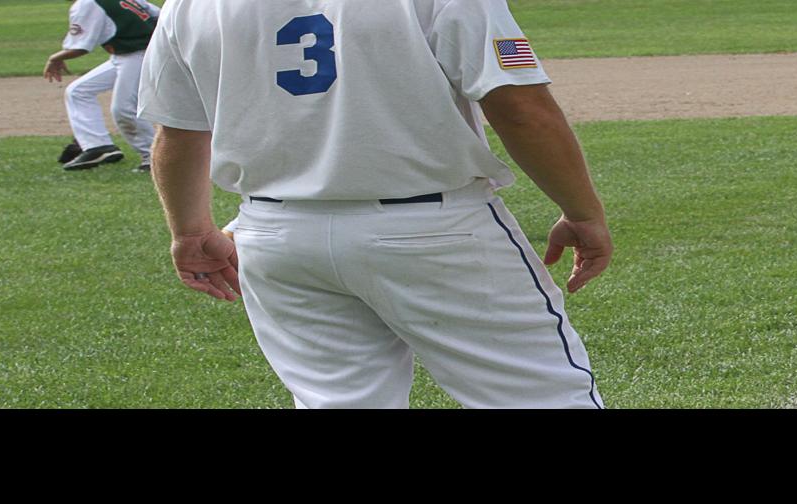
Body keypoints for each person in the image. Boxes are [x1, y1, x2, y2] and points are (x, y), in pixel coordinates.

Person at [137, 0, 611, 409]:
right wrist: (582, 212)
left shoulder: (190, 5)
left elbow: (178, 130)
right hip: (433, 229)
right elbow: (522, 110)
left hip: (275, 234)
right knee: (539, 395)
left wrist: (191, 230)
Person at [45, 0, 161, 172]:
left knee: (124, 109)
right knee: (78, 91)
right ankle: (97, 147)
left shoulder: (86, 4)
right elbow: (159, 15)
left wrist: (54, 58)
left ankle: (153, 158)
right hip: (135, 54)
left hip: (138, 55)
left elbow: (81, 47)